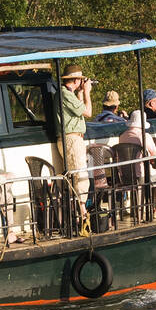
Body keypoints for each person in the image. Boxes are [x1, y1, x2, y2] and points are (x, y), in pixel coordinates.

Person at [58, 64, 92, 210]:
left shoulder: (68, 94)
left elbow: (76, 109)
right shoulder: (65, 93)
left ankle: (80, 210)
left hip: (72, 138)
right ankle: (82, 212)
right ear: (76, 80)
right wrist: (87, 93)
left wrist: (79, 93)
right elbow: (88, 112)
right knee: (80, 175)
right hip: (72, 138)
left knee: (76, 175)